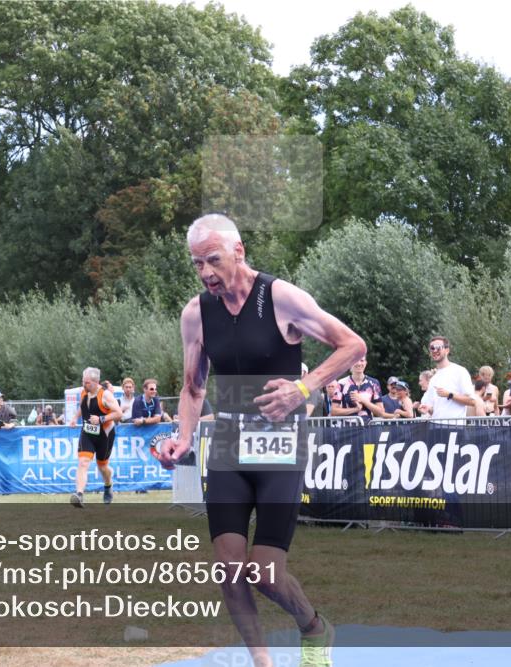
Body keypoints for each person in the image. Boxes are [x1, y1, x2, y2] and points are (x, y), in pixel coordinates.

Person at [156, 214, 366, 667]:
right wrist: (183, 438)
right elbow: (194, 387)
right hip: (229, 443)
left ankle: (314, 626)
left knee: (264, 574)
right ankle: (262, 663)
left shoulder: (281, 298)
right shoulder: (196, 313)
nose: (206, 272)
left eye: (212, 260)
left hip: (279, 444)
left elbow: (352, 345)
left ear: (239, 251)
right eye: (196, 264)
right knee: (229, 570)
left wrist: (303, 389)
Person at [69, 367, 121, 507]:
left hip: (105, 435)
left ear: (96, 382)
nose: (84, 385)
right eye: (83, 381)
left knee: (102, 467)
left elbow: (118, 413)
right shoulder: (83, 392)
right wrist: (75, 417)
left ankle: (108, 486)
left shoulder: (106, 395)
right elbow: (83, 406)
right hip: (87, 432)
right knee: (83, 462)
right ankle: (79, 495)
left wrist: (101, 419)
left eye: (87, 382)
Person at [420, 336, 480, 420]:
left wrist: (449, 395)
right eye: (432, 348)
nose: (434, 350)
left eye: (438, 347)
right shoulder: (434, 379)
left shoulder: (459, 371)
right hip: (435, 426)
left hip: (454, 426)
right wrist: (428, 409)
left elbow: (472, 401)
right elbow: (435, 411)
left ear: (447, 350)